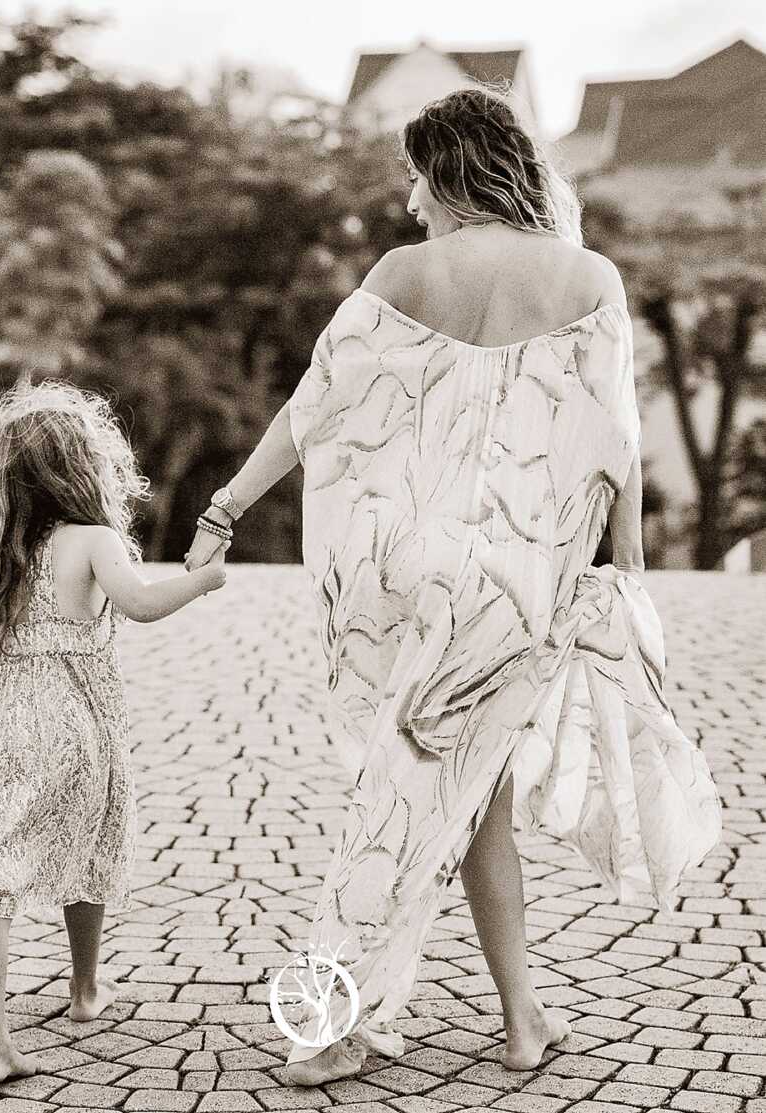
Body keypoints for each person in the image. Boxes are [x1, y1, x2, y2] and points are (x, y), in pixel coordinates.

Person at [183, 85, 723, 1087]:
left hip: (404, 575)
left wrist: (226, 504)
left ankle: (358, 1020)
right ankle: (484, 1021)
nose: (406, 197)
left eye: (413, 175)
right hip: (518, 586)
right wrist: (630, 570)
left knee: (425, 800)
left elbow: (316, 410)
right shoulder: (588, 277)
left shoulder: (401, 274)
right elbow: (618, 445)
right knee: (459, 797)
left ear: (444, 170)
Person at [0, 381, 228, 1085]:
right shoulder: (92, 539)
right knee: (85, 841)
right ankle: (85, 988)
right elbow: (143, 603)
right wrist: (204, 580)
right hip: (73, 721)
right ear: (82, 468)